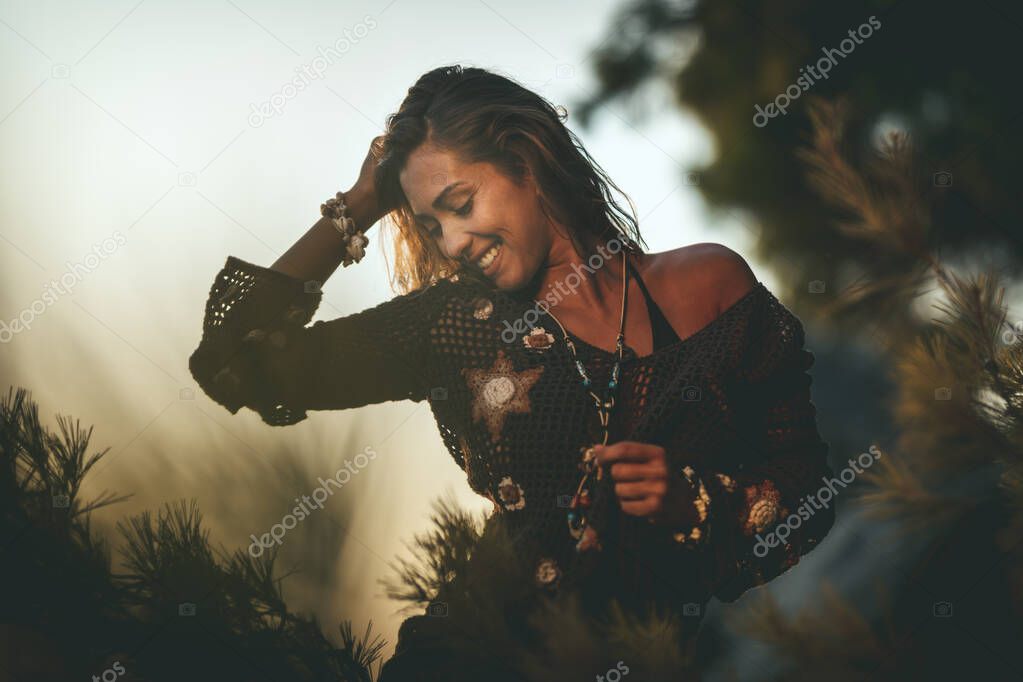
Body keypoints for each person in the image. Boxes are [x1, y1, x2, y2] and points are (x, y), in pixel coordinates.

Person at [188, 65, 835, 679]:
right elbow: (229, 363)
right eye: (430, 225)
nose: (450, 244)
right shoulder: (452, 326)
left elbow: (805, 490)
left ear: (525, 162)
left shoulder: (709, 289)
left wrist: (691, 500)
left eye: (460, 204)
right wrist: (357, 207)